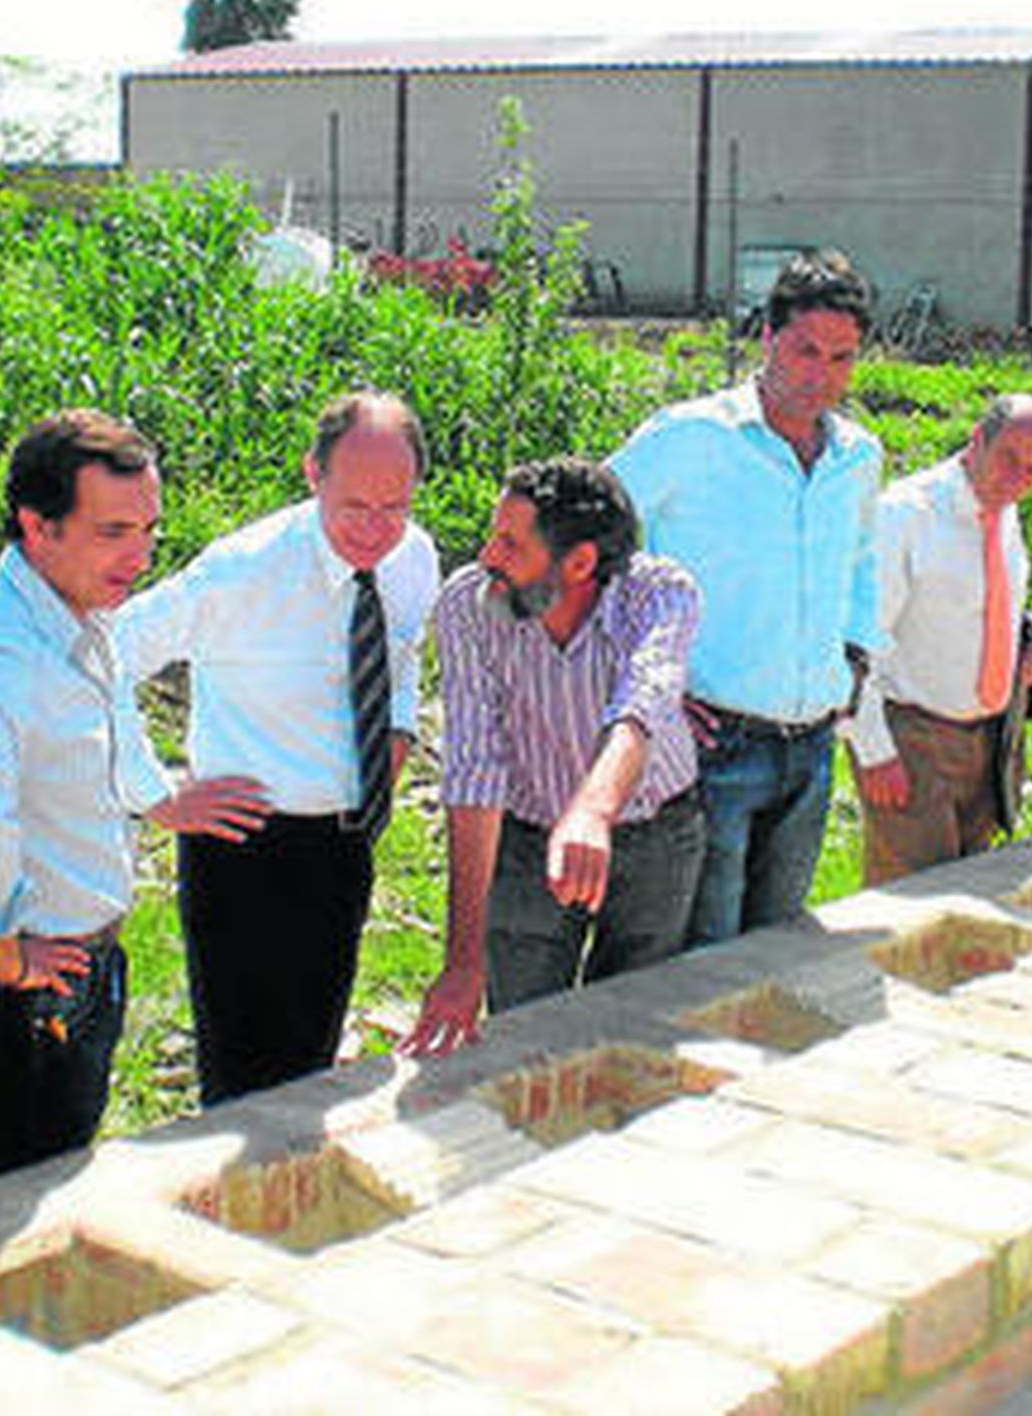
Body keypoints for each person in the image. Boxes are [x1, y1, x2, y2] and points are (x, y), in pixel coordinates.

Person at [0, 411, 266, 1181]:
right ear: (37, 527)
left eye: (149, 529)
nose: (140, 556)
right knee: (17, 1212)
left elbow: (110, 714)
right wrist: (7, 958)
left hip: (78, 962)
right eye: (115, 531)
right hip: (27, 986)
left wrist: (159, 797)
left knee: (58, 1179)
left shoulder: (79, 610)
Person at [116, 391, 440, 1104]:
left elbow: (403, 647)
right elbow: (102, 657)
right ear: (312, 475)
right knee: (241, 1082)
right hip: (243, 844)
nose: (375, 529)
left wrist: (401, 727)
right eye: (355, 507)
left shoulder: (412, 556)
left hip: (347, 835)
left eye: (395, 506)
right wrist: (155, 793)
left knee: (312, 1063)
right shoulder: (241, 572)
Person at [610, 249, 883, 946]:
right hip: (711, 746)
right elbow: (586, 539)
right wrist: (644, 684)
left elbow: (859, 562)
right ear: (766, 335)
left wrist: (852, 656)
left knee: (777, 951)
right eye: (805, 351)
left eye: (842, 359)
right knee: (703, 963)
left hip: (812, 745)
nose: (821, 376)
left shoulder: (857, 456)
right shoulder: (692, 436)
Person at [403, 459, 704, 1057]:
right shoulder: (469, 605)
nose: (488, 554)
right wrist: (462, 962)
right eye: (494, 534)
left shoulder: (659, 593)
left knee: (634, 1031)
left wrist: (592, 812)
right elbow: (473, 769)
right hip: (526, 838)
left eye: (511, 544)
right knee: (525, 1037)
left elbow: (643, 704)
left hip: (655, 836)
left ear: (581, 563)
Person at [843, 394, 1032, 884]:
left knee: (969, 901)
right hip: (913, 737)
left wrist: (1026, 664)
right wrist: (874, 751)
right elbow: (856, 641)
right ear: (976, 440)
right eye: (1010, 458)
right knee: (917, 907)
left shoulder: (1004, 510)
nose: (1019, 479)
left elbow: (981, 609)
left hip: (986, 740)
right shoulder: (906, 513)